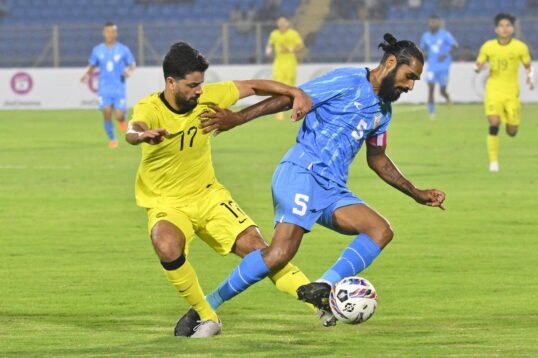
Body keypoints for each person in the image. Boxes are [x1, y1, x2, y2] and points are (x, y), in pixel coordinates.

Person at [180, 33, 446, 329]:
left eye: (415, 81)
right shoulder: (347, 80)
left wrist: (416, 193)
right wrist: (239, 119)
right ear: (392, 62)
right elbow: (291, 97)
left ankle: (324, 285)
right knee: (279, 254)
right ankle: (204, 308)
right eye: (409, 77)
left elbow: (378, 158)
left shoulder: (383, 112)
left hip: (332, 189)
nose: (409, 86)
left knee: (380, 230)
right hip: (302, 173)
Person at [125, 42, 313, 338]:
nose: (199, 91)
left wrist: (293, 91)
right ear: (171, 83)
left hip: (210, 196)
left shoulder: (208, 96)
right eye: (192, 85)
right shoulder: (149, 108)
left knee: (259, 250)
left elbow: (253, 86)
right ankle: (206, 314)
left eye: (201, 84)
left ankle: (318, 301)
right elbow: (132, 129)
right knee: (165, 243)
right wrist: (142, 135)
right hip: (168, 203)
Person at [474, 13, 534, 172]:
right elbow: (478, 63)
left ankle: (511, 122)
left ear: (512, 28)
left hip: (512, 93)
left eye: (508, 25)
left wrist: (530, 78)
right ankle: (493, 162)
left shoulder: (520, 47)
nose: (505, 29)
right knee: (494, 122)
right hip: (493, 91)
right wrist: (478, 68)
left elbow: (528, 66)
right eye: (501, 26)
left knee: (512, 131)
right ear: (496, 29)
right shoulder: (488, 46)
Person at [81, 22, 135, 149]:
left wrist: (129, 71)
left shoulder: (123, 49)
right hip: (104, 88)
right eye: (108, 31)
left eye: (113, 31)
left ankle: (122, 119)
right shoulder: (97, 50)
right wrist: (85, 75)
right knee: (106, 112)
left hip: (118, 88)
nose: (110, 34)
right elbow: (92, 65)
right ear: (104, 33)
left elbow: (132, 64)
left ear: (115, 33)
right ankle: (112, 139)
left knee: (119, 115)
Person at [266, 16, 304, 120]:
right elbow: (270, 44)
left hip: (290, 64)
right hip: (279, 64)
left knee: (290, 88)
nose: (282, 24)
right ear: (278, 24)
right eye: (280, 22)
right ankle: (279, 112)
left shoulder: (293, 34)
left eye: (284, 22)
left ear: (287, 23)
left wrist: (291, 49)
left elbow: (300, 45)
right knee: (278, 87)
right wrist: (268, 50)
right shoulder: (274, 34)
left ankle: (295, 110)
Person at [420, 15, 458, 119]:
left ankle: (447, 97)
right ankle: (431, 114)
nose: (433, 24)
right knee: (431, 88)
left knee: (442, 90)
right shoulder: (425, 36)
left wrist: (446, 54)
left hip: (443, 67)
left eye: (435, 22)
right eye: (431, 22)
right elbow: (423, 48)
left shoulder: (445, 35)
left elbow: (455, 46)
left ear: (439, 23)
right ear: (428, 23)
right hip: (431, 67)